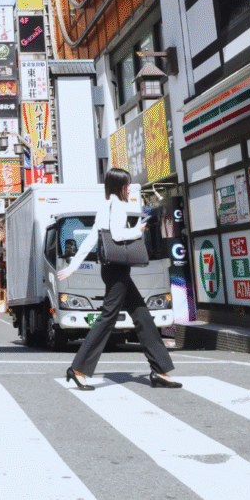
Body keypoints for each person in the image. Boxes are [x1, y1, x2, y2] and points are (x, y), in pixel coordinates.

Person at [57, 166, 181, 391]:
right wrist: (138, 230)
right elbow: (117, 235)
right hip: (117, 269)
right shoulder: (117, 206)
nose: (128, 190)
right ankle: (78, 369)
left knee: (142, 315)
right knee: (108, 317)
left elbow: (91, 239)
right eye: (126, 185)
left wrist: (74, 266)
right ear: (118, 187)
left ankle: (160, 370)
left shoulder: (105, 205)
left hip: (112, 269)